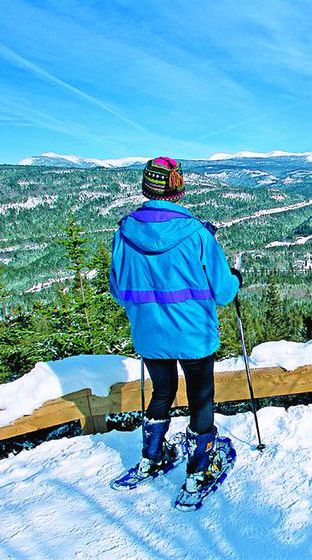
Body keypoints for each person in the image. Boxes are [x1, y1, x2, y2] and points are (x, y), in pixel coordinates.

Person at [108, 156, 242, 500]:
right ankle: (198, 471)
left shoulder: (125, 233)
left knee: (162, 392)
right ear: (178, 187)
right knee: (201, 398)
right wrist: (236, 279)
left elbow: (118, 290)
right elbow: (224, 292)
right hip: (194, 334)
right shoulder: (197, 234)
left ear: (146, 187)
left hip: (150, 333)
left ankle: (151, 457)